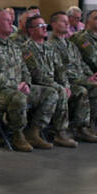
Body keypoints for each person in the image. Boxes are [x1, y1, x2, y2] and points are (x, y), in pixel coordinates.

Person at [0, 8, 59, 152]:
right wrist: (16, 86)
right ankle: (17, 135)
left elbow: (24, 69)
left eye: (11, 20)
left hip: (17, 88)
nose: (11, 23)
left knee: (51, 93)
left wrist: (26, 83)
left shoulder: (13, 44)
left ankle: (33, 132)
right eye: (7, 21)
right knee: (19, 97)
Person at [45, 12, 97, 141]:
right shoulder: (50, 45)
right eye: (62, 21)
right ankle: (80, 127)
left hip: (80, 78)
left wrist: (90, 75)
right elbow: (57, 69)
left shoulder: (70, 45)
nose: (67, 24)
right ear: (53, 24)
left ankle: (89, 125)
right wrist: (66, 84)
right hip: (66, 81)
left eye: (67, 21)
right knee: (83, 91)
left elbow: (81, 63)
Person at [19, 15, 79, 147]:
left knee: (64, 89)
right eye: (40, 26)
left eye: (45, 25)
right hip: (37, 84)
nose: (45, 28)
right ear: (31, 30)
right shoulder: (27, 49)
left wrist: (66, 84)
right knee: (58, 91)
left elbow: (60, 69)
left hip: (52, 84)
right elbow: (36, 74)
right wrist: (59, 86)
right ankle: (55, 132)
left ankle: (62, 130)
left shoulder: (49, 48)